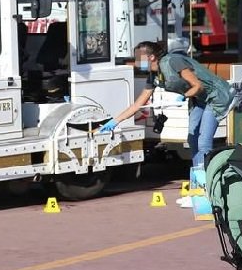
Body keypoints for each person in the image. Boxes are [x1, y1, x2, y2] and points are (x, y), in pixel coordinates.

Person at [99, 41, 233, 208]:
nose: (135, 61)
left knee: (203, 142)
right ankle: (198, 190)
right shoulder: (153, 77)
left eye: (139, 58)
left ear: (152, 57)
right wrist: (114, 121)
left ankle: (207, 192)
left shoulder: (172, 62)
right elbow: (137, 105)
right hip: (198, 99)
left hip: (215, 96)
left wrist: (183, 96)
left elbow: (197, 85)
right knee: (192, 140)